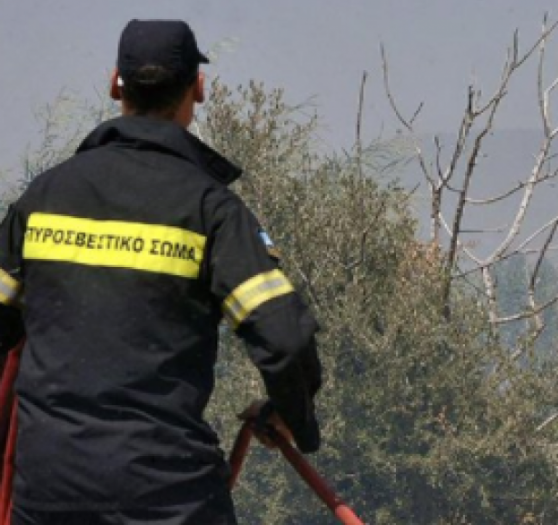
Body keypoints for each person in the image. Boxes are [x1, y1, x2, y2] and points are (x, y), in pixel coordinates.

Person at [0, 19, 322, 525]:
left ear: (114, 85)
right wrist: (294, 416)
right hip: (167, 499)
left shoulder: (42, 199)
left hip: (48, 496)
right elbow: (283, 340)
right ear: (198, 88)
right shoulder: (211, 210)